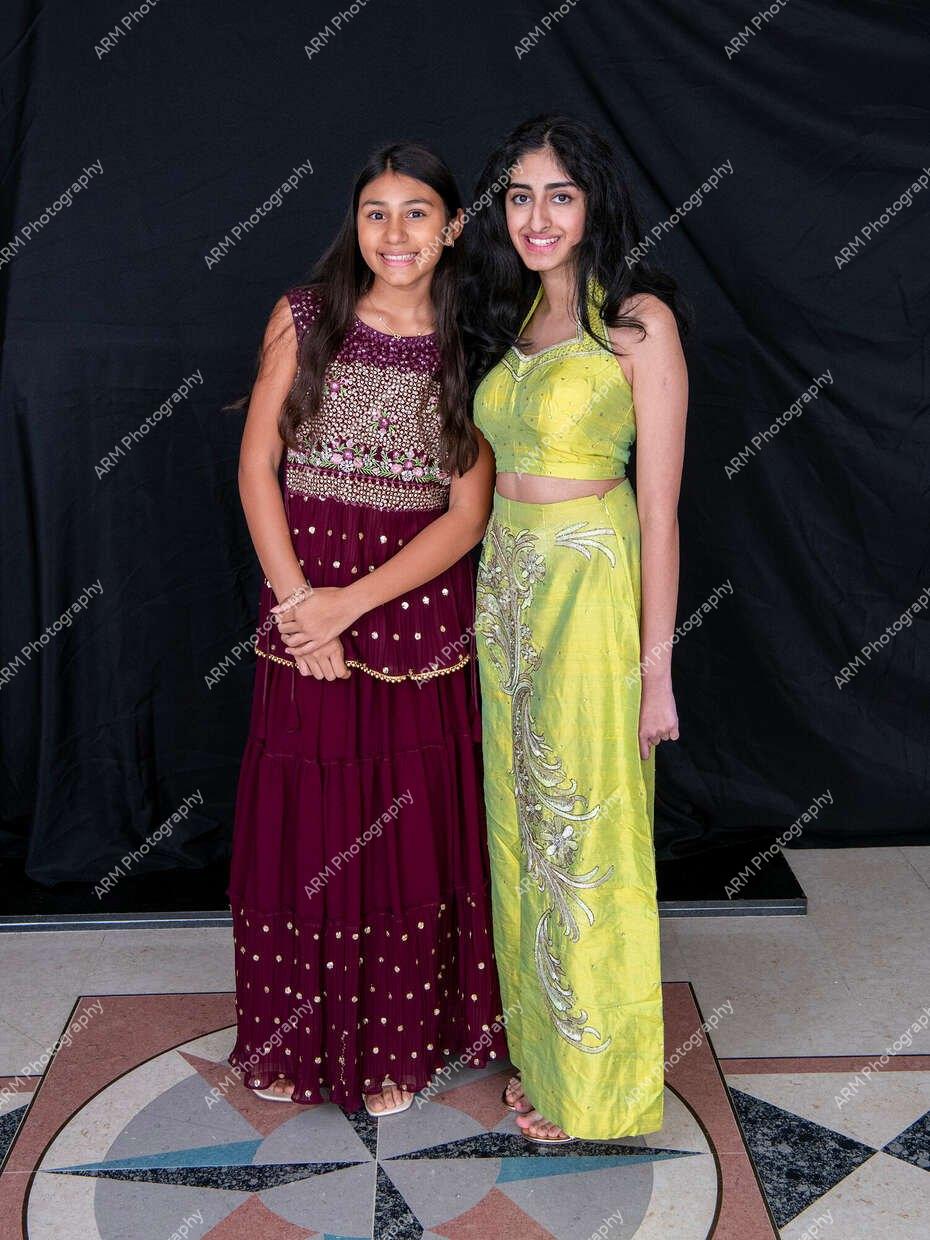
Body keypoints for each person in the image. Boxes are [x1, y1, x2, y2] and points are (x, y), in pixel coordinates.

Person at [226, 141, 506, 1117]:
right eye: (375, 212)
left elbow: (467, 516)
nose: (394, 233)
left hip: (414, 621)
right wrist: (302, 607)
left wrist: (351, 604)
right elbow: (256, 468)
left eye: (417, 212)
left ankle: (398, 1044)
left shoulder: (473, 341)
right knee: (308, 826)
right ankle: (292, 1039)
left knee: (406, 826)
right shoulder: (306, 317)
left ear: (453, 227)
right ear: (356, 224)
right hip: (302, 614)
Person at [464, 115, 689, 1143]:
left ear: (593, 201)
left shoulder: (637, 324)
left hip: (590, 588)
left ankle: (599, 1091)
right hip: (507, 591)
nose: (537, 216)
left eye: (559, 194)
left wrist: (656, 672)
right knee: (522, 827)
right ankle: (546, 1060)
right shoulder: (511, 319)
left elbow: (660, 511)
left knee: (586, 827)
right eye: (519, 196)